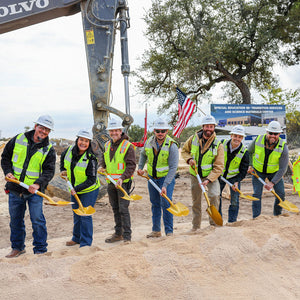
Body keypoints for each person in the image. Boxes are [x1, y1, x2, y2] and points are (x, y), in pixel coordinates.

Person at [1, 115, 56, 258]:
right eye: (42, 128)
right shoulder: (19, 139)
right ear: (35, 126)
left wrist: (38, 183)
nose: (43, 132)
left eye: (47, 130)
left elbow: (49, 171)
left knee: (37, 220)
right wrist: (8, 172)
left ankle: (40, 249)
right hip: (15, 189)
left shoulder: (48, 149)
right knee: (15, 220)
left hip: (34, 192)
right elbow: (5, 158)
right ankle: (18, 248)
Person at [137, 118, 179, 238]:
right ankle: (156, 230)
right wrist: (140, 167)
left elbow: (173, 168)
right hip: (151, 178)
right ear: (154, 131)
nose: (160, 133)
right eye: (158, 131)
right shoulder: (149, 141)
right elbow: (143, 155)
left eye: (163, 131)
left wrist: (165, 185)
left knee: (166, 203)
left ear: (167, 131)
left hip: (165, 179)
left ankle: (169, 232)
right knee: (155, 204)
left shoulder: (172, 145)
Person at [181, 115, 224, 230]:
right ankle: (196, 227)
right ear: (203, 127)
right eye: (206, 126)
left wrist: (208, 179)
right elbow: (185, 151)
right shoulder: (193, 139)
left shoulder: (218, 144)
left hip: (211, 177)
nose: (209, 129)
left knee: (214, 196)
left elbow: (219, 166)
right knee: (196, 202)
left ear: (214, 127)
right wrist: (189, 159)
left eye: (211, 126)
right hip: (195, 176)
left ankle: (213, 225)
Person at [60, 129, 100, 247]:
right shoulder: (68, 151)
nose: (83, 143)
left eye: (86, 141)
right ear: (77, 140)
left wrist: (76, 189)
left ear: (89, 143)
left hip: (89, 190)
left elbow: (91, 180)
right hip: (74, 188)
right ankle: (76, 238)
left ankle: (86, 243)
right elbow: (62, 159)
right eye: (81, 140)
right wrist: (62, 169)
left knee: (85, 214)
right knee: (76, 214)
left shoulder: (91, 158)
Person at [99, 118, 136, 244]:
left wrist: (122, 178)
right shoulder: (107, 145)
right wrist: (102, 166)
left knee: (123, 209)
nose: (114, 133)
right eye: (111, 131)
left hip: (123, 183)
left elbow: (131, 165)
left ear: (121, 131)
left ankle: (127, 236)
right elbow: (104, 159)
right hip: (111, 182)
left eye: (116, 130)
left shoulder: (127, 146)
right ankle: (118, 233)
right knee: (115, 208)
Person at [247, 121, 289, 218]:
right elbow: (248, 152)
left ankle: (277, 215)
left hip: (274, 173)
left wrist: (272, 182)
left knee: (281, 194)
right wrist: (249, 165)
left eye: (275, 134)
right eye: (270, 133)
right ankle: (256, 218)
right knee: (257, 194)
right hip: (257, 171)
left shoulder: (283, 147)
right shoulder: (258, 140)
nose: (272, 136)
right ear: (267, 132)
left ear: (279, 134)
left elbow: (283, 168)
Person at [218, 125, 249, 223]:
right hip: (220, 176)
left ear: (242, 138)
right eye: (235, 136)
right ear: (231, 136)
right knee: (216, 198)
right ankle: (218, 220)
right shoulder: (221, 144)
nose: (237, 139)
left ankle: (232, 222)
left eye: (240, 137)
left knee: (235, 201)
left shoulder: (244, 152)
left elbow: (243, 170)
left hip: (234, 178)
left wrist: (237, 181)